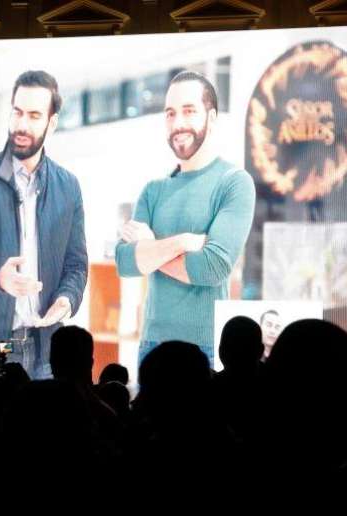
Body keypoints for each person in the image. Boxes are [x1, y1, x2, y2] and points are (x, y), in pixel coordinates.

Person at [0, 70, 87, 379]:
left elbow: (76, 265)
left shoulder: (69, 187)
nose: (22, 124)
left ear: (52, 123)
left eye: (34, 115)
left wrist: (67, 299)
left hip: (48, 351)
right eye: (17, 112)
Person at [115, 70, 256, 366]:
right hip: (151, 345)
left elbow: (212, 267)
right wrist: (182, 242)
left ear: (212, 117)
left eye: (189, 111)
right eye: (170, 113)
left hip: (205, 346)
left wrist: (151, 248)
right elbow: (125, 263)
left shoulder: (234, 182)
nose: (178, 123)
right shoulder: (154, 190)